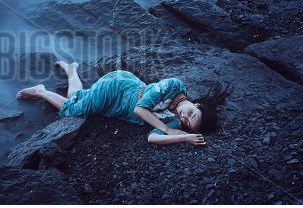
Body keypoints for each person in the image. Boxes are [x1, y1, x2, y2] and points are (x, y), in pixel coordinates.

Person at [16, 61, 228, 146]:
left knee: (78, 98)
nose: (184, 116)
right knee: (73, 110)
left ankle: (71, 70)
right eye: (191, 113)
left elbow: (152, 138)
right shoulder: (173, 86)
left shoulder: (176, 125)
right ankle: (41, 91)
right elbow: (139, 109)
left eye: (186, 122)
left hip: (117, 103)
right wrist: (166, 128)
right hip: (117, 89)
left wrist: (184, 138)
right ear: (197, 104)